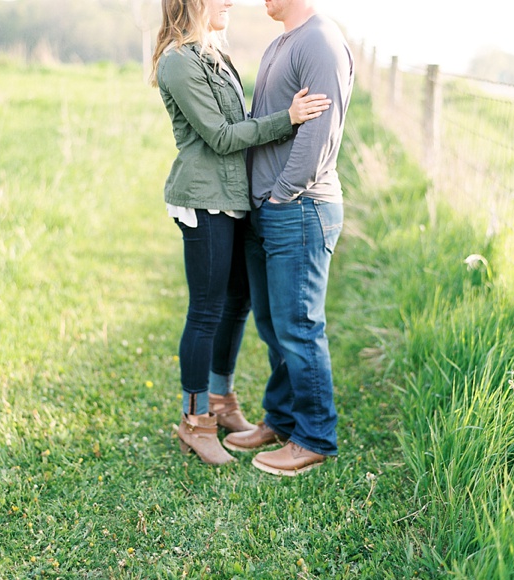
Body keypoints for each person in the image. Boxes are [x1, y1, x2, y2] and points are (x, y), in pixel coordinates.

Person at [151, 0, 332, 465]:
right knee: (207, 310)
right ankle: (196, 422)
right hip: (204, 199)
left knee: (237, 303)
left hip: (231, 199)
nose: (230, 1)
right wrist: (287, 119)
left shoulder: (214, 53)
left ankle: (223, 403)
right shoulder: (178, 60)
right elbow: (222, 136)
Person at [222, 0, 354, 476]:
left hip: (299, 208)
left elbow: (320, 138)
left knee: (299, 326)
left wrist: (279, 197)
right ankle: (280, 419)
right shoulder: (283, 40)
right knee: (273, 325)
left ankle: (315, 437)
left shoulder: (320, 41)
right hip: (272, 209)